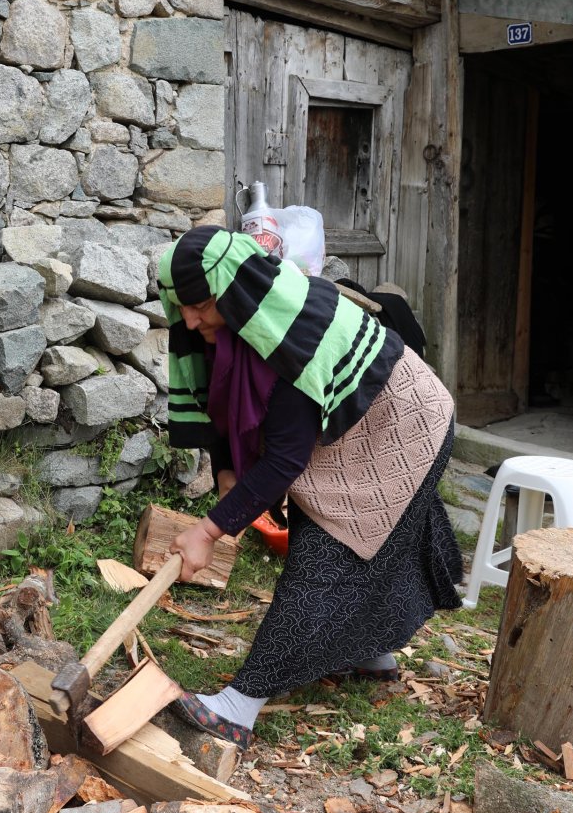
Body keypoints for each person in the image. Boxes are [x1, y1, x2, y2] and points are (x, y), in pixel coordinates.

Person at [158, 225, 463, 751]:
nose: (190, 319)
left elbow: (282, 460)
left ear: (234, 292)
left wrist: (209, 532)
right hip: (354, 432)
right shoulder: (234, 326)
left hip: (407, 427)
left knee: (328, 557)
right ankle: (369, 655)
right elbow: (220, 402)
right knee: (360, 550)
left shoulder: (293, 338)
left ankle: (238, 707)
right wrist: (227, 469)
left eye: (202, 304)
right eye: (181, 307)